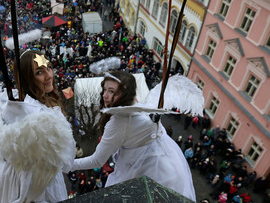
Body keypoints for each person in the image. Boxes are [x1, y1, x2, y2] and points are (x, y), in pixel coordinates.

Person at [70, 71, 196, 201]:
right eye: (105, 89)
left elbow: (97, 160)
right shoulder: (139, 104)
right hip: (169, 162)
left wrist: (68, 164)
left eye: (112, 91)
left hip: (148, 168)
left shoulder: (118, 123)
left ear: (125, 94)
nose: (104, 95)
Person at [0, 49, 75, 202]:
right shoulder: (48, 118)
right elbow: (66, 163)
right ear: (26, 78)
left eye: (48, 68)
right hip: (41, 191)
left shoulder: (8, 102)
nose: (49, 75)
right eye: (39, 72)